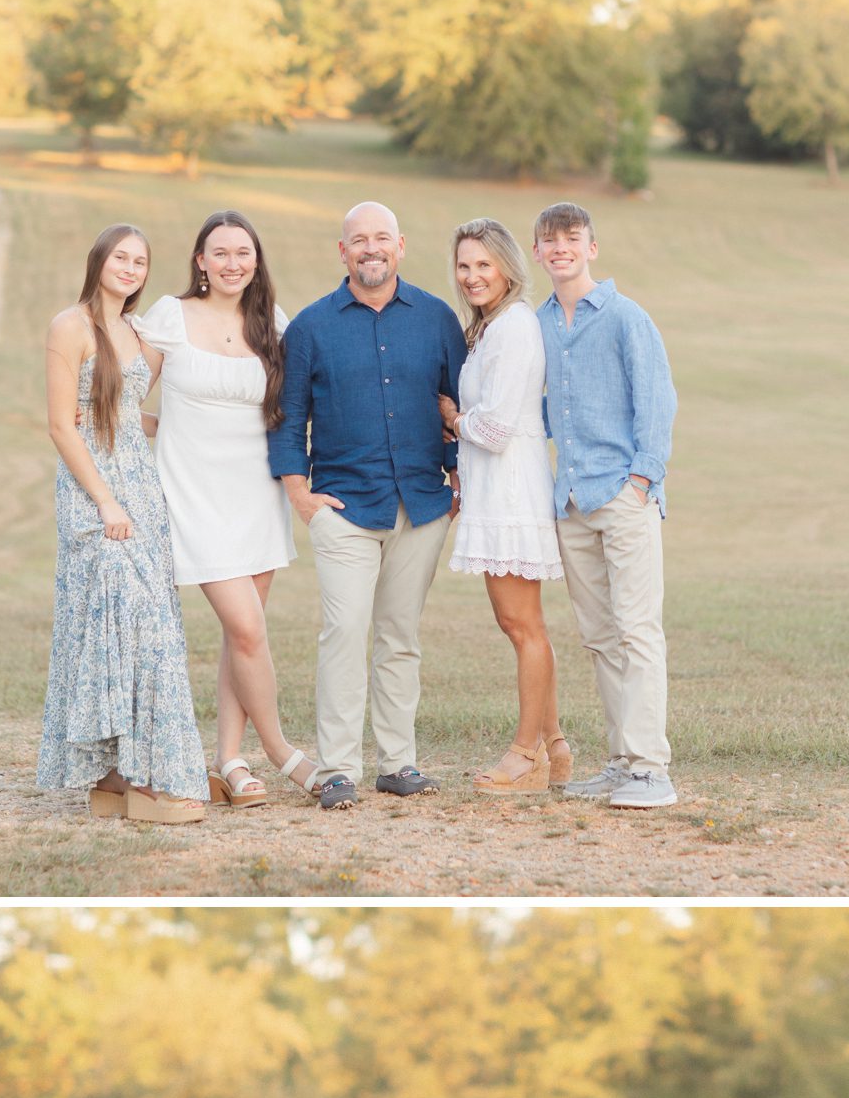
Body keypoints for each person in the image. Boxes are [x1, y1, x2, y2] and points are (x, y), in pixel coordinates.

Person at [268, 200, 468, 808]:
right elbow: (287, 418)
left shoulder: (437, 320)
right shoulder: (309, 327)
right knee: (344, 632)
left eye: (382, 238)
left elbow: (461, 404)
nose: (371, 248)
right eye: (359, 240)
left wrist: (458, 476)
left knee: (400, 636)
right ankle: (336, 769)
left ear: (401, 246)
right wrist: (300, 495)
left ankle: (398, 763)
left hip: (422, 506)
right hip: (344, 509)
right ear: (343, 251)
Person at [139, 212, 318, 810]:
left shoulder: (274, 324)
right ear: (200, 260)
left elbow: (293, 411)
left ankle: (232, 761)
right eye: (220, 253)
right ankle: (282, 752)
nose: (233, 263)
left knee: (245, 635)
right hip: (193, 495)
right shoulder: (170, 315)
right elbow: (122, 397)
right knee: (246, 628)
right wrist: (165, 437)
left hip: (256, 495)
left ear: (256, 260)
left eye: (244, 252)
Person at [37, 222, 208, 824]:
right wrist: (106, 501)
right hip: (96, 494)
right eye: (121, 257)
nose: (131, 269)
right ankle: (142, 778)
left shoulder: (138, 331)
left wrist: (196, 432)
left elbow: (127, 413)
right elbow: (63, 425)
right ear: (99, 261)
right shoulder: (71, 326)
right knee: (122, 629)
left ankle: (116, 780)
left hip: (144, 489)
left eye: (140, 261)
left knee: (143, 629)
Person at [533, 202, 679, 811]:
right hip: (569, 500)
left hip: (622, 494)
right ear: (538, 253)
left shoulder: (625, 317)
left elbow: (658, 402)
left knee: (638, 630)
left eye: (572, 238)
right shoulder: (538, 322)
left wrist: (642, 482)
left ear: (592, 248)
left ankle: (652, 771)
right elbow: (547, 410)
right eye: (549, 240)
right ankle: (622, 762)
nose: (561, 248)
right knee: (599, 637)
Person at [441, 219, 571, 794]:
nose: (472, 277)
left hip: (513, 491)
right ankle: (556, 747)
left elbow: (493, 429)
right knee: (518, 622)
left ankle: (526, 756)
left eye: (483, 266)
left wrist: (452, 418)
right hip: (494, 490)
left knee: (523, 626)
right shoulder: (490, 328)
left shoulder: (515, 326)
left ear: (507, 268)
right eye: (464, 267)